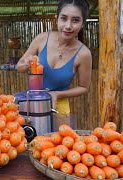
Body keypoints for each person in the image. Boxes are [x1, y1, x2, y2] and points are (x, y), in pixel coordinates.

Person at [16, 0, 92, 128]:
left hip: (59, 108)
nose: (68, 26)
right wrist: (27, 63)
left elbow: (84, 88)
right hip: (32, 105)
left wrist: (57, 94)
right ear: (56, 19)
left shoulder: (84, 54)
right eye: (64, 18)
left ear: (82, 24)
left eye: (75, 20)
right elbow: (19, 67)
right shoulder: (42, 39)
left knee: (59, 145)